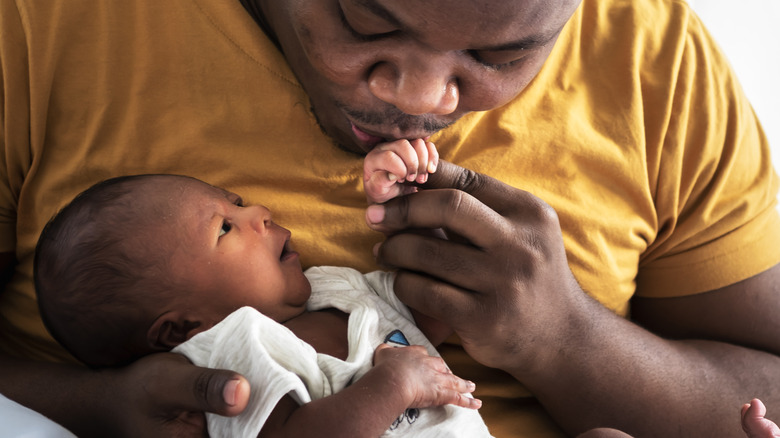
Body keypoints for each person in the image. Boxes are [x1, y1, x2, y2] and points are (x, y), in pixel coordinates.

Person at [1, 0, 778, 436]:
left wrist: (564, 336)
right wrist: (99, 406)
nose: (421, 97)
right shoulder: (48, 24)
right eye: (367, 25)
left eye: (501, 58)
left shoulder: (655, 56)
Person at [32, 141, 491, 437]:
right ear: (182, 327)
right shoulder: (232, 351)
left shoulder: (334, 287)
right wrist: (396, 383)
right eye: (226, 228)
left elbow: (436, 311)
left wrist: (407, 205)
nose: (260, 212)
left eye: (235, 201)